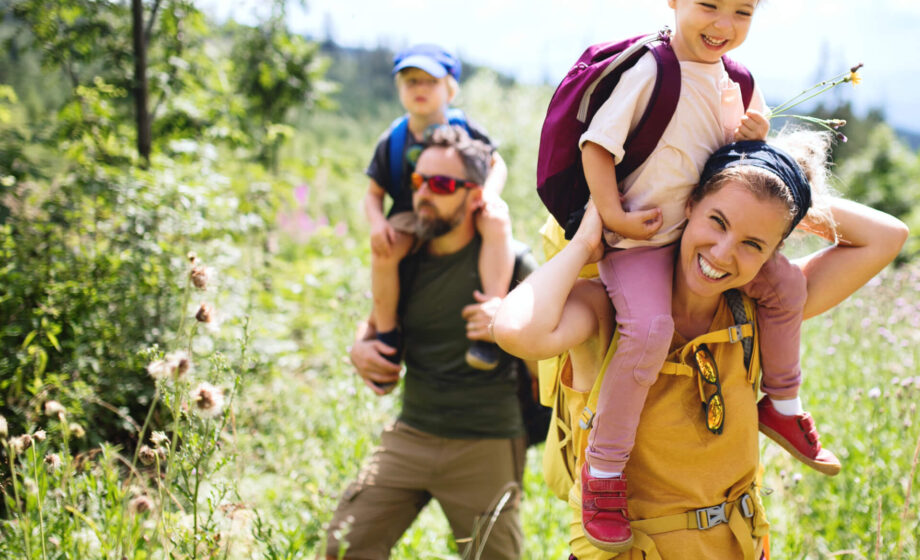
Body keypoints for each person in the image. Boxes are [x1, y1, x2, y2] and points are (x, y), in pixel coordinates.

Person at [493, 130, 909, 559]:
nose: (724, 253)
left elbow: (887, 236)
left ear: (772, 253)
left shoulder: (757, 309)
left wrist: (776, 190)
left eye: (753, 244)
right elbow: (516, 331)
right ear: (687, 205)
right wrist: (583, 244)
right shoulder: (609, 309)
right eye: (718, 221)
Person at [559, 0, 838, 550]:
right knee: (649, 331)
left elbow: (745, 170)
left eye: (741, 12)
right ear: (675, 3)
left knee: (786, 287)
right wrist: (612, 216)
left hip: (703, 236)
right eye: (708, 5)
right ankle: (605, 470)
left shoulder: (737, 79)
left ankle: (782, 406)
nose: (723, 24)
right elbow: (596, 145)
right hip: (643, 239)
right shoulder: (651, 69)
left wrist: (755, 135)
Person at [327, 125, 538, 560]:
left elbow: (552, 361)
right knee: (344, 544)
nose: (423, 194)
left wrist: (513, 328)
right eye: (418, 182)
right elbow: (373, 322)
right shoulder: (404, 256)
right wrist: (359, 347)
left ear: (475, 195)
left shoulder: (512, 262)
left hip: (486, 442)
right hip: (412, 433)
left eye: (441, 184)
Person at [364, 43, 513, 374]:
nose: (420, 89)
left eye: (430, 81)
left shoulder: (466, 129)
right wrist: (377, 223)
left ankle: (488, 320)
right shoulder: (393, 139)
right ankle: (388, 335)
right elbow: (373, 194)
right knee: (384, 252)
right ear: (399, 88)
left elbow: (496, 163)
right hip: (410, 212)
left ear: (450, 89)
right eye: (410, 81)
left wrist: (488, 194)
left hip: (461, 205)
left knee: (497, 221)